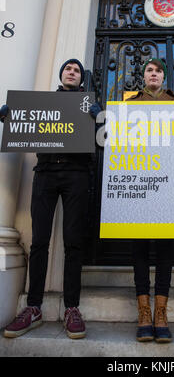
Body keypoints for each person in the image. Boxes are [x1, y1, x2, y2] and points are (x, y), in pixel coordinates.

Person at [2, 59, 101, 340]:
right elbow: (24, 126)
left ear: (82, 79)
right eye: (68, 69)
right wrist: (10, 116)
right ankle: (33, 307)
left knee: (73, 242)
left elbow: (103, 140)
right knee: (39, 242)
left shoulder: (88, 107)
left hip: (77, 175)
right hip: (45, 173)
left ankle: (72, 308)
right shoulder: (42, 103)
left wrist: (99, 118)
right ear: (61, 75)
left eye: (77, 70)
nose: (72, 72)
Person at [127, 58, 174, 343]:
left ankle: (161, 312)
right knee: (139, 249)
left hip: (169, 188)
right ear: (143, 75)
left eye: (159, 70)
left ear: (163, 76)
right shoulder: (130, 105)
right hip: (139, 187)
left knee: (165, 250)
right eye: (150, 70)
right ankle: (143, 311)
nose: (154, 74)